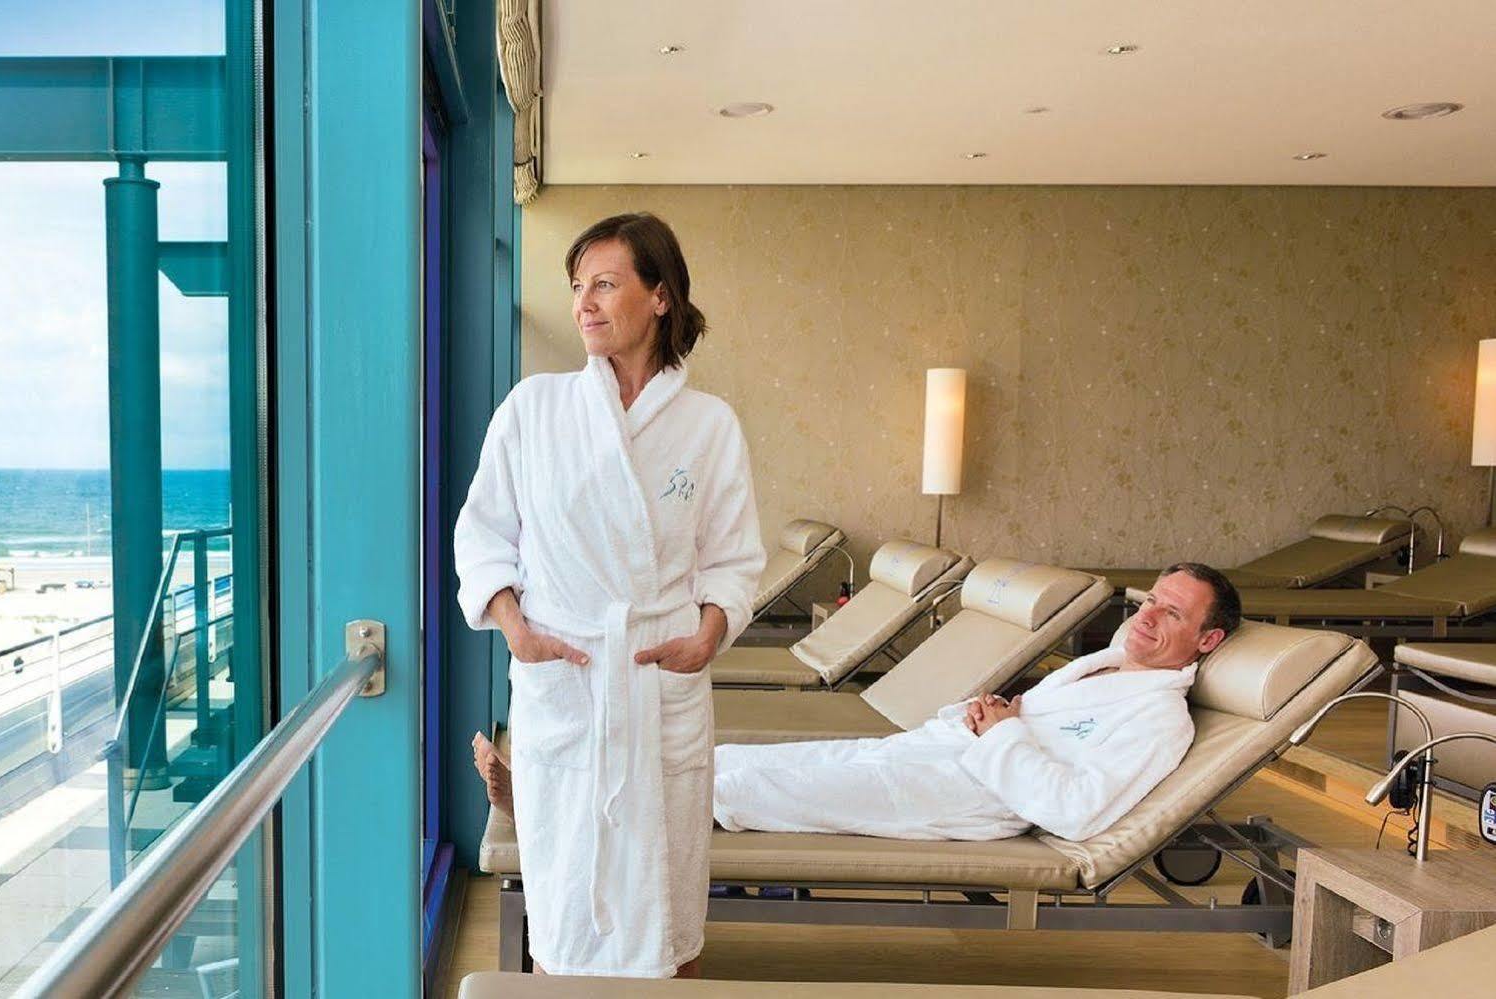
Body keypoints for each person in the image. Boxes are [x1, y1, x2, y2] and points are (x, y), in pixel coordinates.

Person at [457, 212, 766, 979]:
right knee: (565, 918)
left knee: (670, 921)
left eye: (604, 283)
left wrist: (707, 636)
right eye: (576, 286)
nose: (583, 303)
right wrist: (516, 631)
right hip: (568, 685)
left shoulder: (709, 426)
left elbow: (734, 558)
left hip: (661, 690)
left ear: (660, 296)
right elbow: (482, 534)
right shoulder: (534, 410)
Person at [709, 563, 1240, 841]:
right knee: (725, 760)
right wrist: (987, 717)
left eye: (1172, 614)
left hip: (963, 795)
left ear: (1207, 640)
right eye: (1150, 601)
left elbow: (1073, 811)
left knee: (740, 789)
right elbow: (1034, 732)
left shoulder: (1159, 720)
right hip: (935, 756)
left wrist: (1002, 734)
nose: (1147, 617)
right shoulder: (1102, 666)